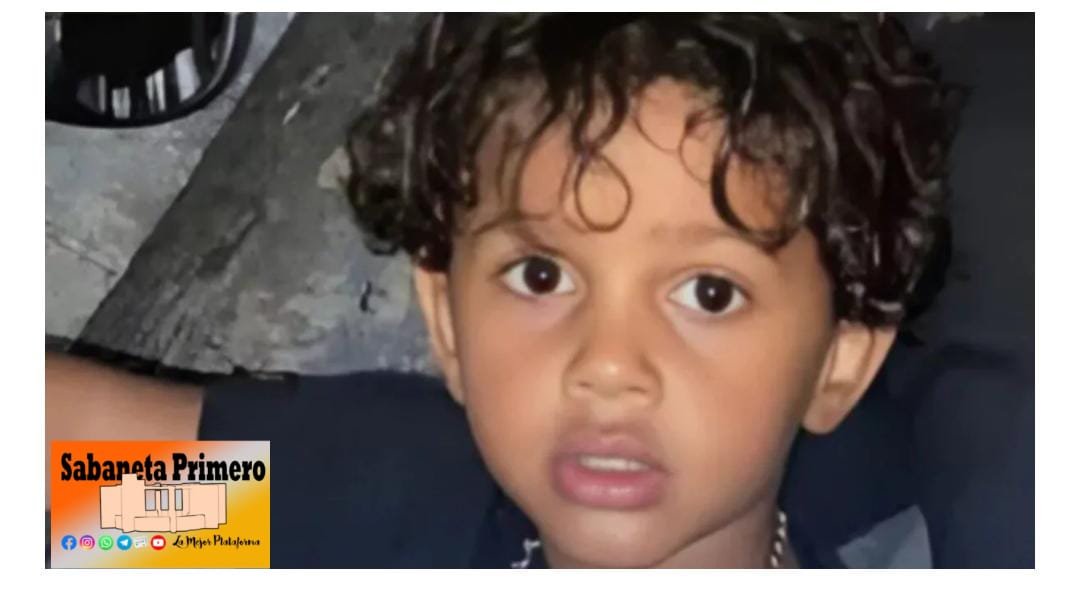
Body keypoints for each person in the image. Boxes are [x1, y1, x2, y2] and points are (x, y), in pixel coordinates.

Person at [48, 14, 991, 567]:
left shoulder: (966, 530)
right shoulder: (389, 510)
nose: (608, 366)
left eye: (709, 292)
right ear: (448, 321)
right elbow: (78, 505)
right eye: (542, 275)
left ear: (839, 360)